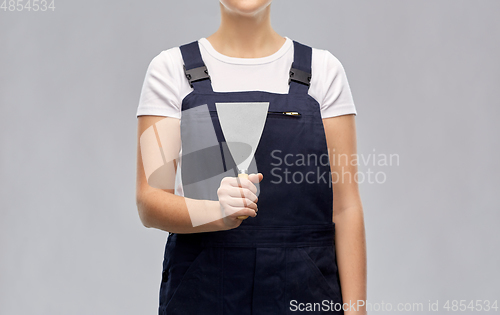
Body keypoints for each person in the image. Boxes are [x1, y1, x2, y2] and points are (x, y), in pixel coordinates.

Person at [135, 0, 367, 314]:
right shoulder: (169, 70)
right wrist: (217, 213)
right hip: (203, 294)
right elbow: (150, 200)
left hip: (306, 295)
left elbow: (346, 206)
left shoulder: (324, 73)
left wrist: (356, 311)